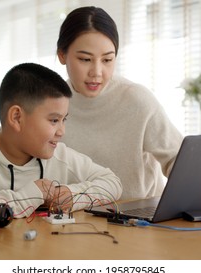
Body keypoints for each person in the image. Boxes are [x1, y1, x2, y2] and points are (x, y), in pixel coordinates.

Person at [0, 63, 122, 221]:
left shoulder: (57, 155)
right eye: (54, 120)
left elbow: (112, 183)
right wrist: (28, 197)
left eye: (64, 119)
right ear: (17, 117)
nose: (62, 131)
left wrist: (71, 194)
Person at [57, 6, 183, 200]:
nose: (97, 72)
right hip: (77, 216)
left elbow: (179, 160)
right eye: (85, 59)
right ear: (62, 55)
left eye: (107, 60)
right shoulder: (52, 104)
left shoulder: (137, 100)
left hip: (140, 218)